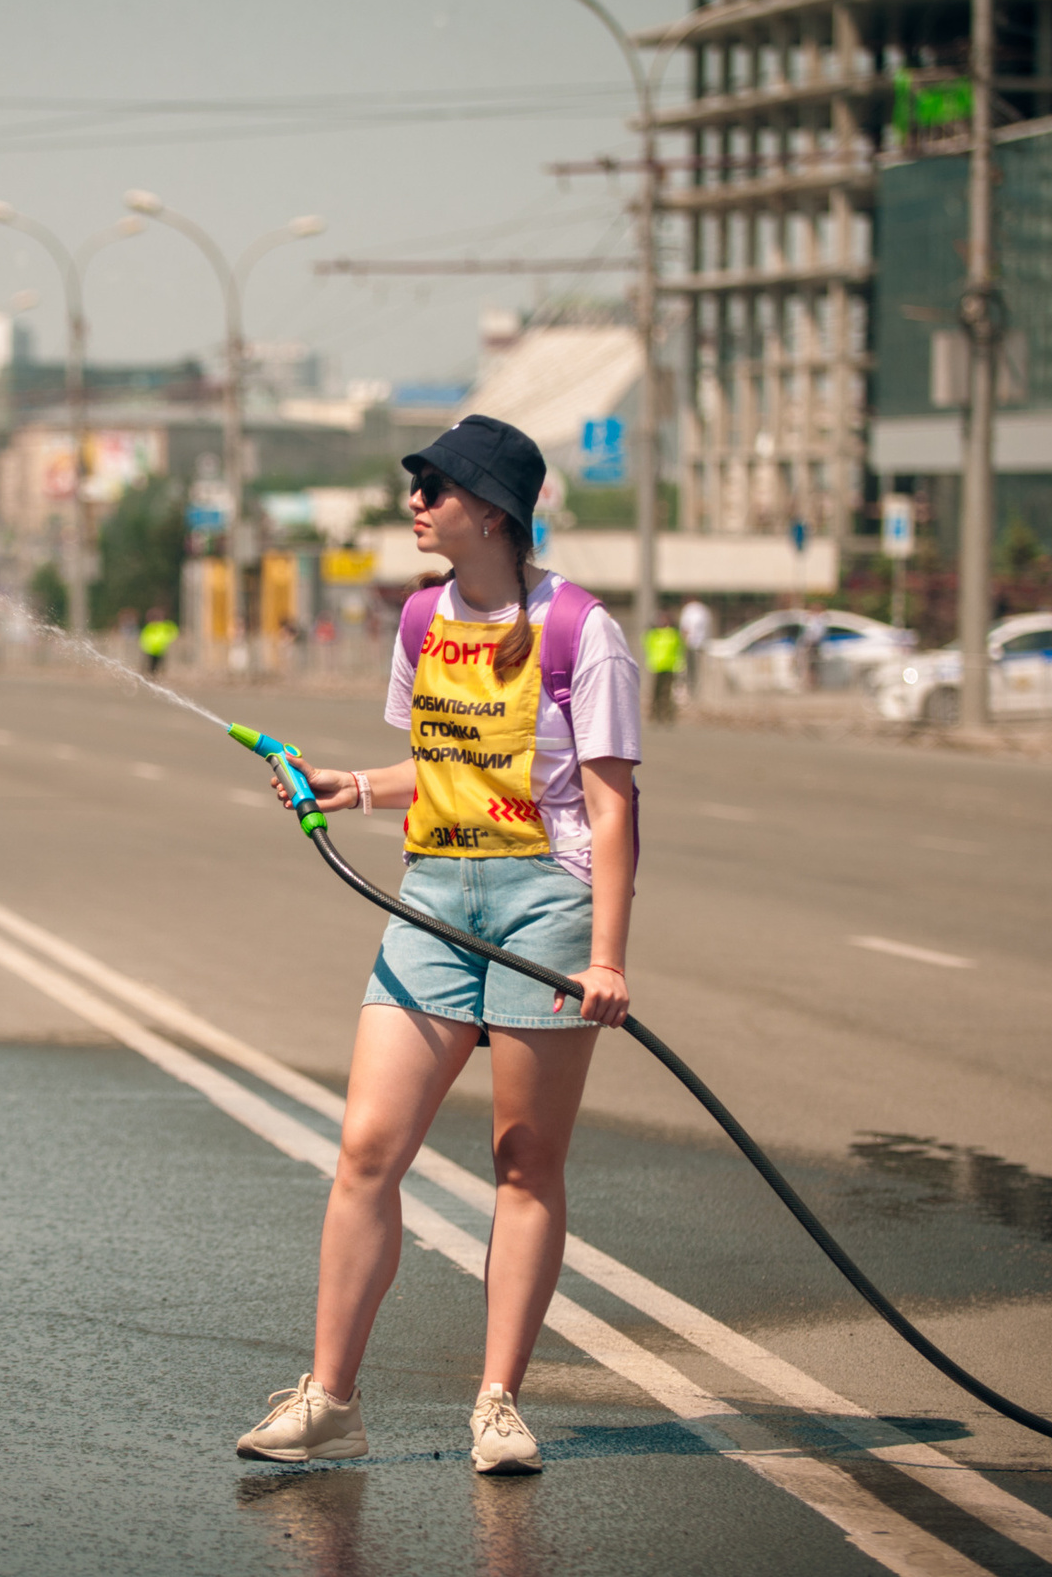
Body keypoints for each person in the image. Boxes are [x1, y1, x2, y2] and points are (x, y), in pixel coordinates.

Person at [237, 414, 640, 1478]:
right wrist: (352, 786)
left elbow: (610, 808)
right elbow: (434, 764)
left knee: (523, 1159)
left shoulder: (578, 628)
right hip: (429, 902)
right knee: (368, 1146)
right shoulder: (420, 617)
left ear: (495, 509)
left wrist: (605, 957)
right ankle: (329, 1398)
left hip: (541, 910)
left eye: (436, 484)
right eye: (414, 483)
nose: (415, 499)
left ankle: (498, 1401)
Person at [645, 612, 683, 724]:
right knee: (655, 692)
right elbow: (646, 642)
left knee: (666, 693)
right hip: (656, 666)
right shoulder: (655, 634)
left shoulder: (673, 634)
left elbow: (679, 646)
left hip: (669, 666)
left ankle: (665, 716)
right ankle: (653, 715)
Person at [677, 595, 712, 699]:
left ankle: (691, 692)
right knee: (701, 672)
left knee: (690, 671)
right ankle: (700, 692)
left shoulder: (688, 610)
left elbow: (685, 628)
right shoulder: (704, 610)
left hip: (691, 644)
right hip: (703, 644)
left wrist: (682, 644)